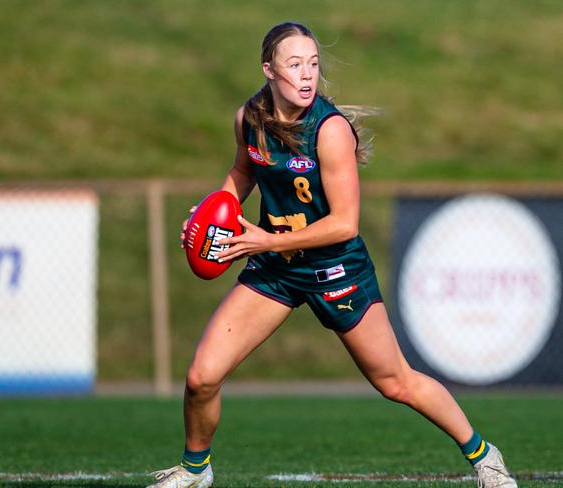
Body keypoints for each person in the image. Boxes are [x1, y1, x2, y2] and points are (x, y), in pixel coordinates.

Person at [146, 22, 517, 488]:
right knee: (202, 376)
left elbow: (345, 223)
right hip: (276, 270)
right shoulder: (250, 118)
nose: (307, 75)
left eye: (314, 64)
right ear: (268, 70)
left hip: (334, 268)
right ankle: (196, 471)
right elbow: (241, 174)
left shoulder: (330, 129)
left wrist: (266, 240)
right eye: (294, 64)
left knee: (395, 381)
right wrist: (209, 216)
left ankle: (485, 456)